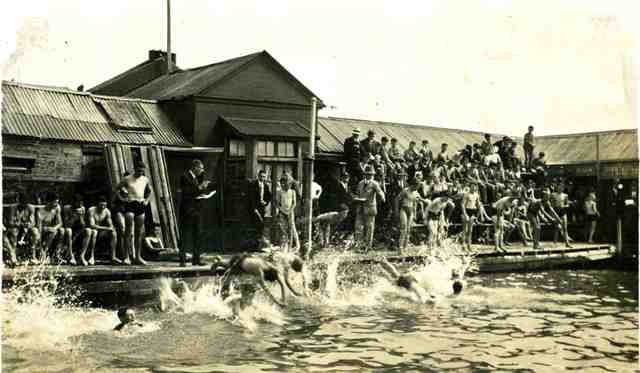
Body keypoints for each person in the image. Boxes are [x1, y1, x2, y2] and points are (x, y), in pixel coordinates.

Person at [211, 253, 301, 307]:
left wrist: (283, 299)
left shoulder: (270, 267)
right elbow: (266, 289)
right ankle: (218, 262)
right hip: (239, 263)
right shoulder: (260, 272)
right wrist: (277, 302)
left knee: (248, 286)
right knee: (227, 269)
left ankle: (219, 260)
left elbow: (282, 284)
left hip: (247, 262)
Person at [115, 161, 152, 265]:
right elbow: (117, 189)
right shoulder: (127, 179)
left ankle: (138, 257)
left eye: (142, 171)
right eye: (139, 170)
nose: (141, 172)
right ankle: (126, 257)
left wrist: (147, 200)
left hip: (140, 205)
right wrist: (122, 199)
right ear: (135, 169)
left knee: (139, 233)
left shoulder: (145, 179)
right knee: (128, 232)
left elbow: (149, 191)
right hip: (130, 204)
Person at [179, 159, 212, 266]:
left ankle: (196, 259)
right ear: (195, 167)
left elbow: (197, 192)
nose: (203, 171)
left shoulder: (198, 178)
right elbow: (186, 193)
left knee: (198, 234)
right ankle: (182, 260)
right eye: (201, 168)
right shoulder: (184, 177)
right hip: (187, 210)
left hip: (197, 209)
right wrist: (199, 187)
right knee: (185, 234)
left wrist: (204, 191)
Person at [354, 164, 386, 250]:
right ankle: (358, 245)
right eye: (368, 174)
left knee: (369, 228)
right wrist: (356, 198)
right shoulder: (360, 183)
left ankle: (368, 246)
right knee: (358, 227)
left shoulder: (374, 184)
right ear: (365, 174)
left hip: (370, 208)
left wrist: (383, 197)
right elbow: (357, 193)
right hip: (360, 207)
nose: (369, 176)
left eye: (371, 174)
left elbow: (380, 192)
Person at [37, 192, 73, 264]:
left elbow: (60, 223)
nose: (56, 204)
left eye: (57, 202)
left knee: (61, 230)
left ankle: (56, 254)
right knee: (53, 232)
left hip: (51, 230)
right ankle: (44, 252)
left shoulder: (57, 208)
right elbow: (39, 229)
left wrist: (54, 228)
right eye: (55, 202)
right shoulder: (40, 212)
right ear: (49, 202)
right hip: (43, 230)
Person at [394, 178, 427, 252]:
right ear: (413, 185)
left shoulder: (416, 192)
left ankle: (405, 247)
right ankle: (400, 247)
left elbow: (416, 203)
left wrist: (415, 214)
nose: (417, 187)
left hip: (411, 211)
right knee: (403, 228)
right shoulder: (405, 190)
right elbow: (396, 199)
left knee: (408, 230)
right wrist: (396, 210)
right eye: (416, 186)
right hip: (404, 209)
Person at [5, 192, 40, 262]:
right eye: (23, 203)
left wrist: (28, 225)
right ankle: (13, 256)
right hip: (16, 227)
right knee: (13, 231)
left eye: (25, 203)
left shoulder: (30, 207)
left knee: (35, 232)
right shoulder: (13, 207)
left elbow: (33, 222)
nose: (24, 205)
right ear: (19, 202)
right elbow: (10, 222)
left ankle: (33, 255)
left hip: (26, 228)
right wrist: (20, 224)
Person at [87, 195, 120, 264]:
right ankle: (91, 256)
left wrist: (111, 228)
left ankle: (113, 256)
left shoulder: (107, 211)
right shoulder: (91, 210)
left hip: (100, 231)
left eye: (104, 205)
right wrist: (107, 228)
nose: (103, 207)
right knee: (94, 232)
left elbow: (110, 224)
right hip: (89, 231)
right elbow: (92, 225)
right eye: (101, 205)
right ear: (97, 204)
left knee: (113, 232)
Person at [63, 195, 93, 266]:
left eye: (81, 203)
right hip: (69, 228)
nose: (80, 204)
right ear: (73, 202)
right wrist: (74, 215)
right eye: (78, 202)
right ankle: (71, 256)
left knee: (88, 231)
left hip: (78, 230)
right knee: (69, 231)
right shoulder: (67, 208)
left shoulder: (82, 208)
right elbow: (66, 224)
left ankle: (82, 255)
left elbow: (83, 225)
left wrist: (81, 216)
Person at [248, 170, 272, 245]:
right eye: (261, 176)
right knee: (254, 226)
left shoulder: (266, 186)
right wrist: (254, 208)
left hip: (262, 208)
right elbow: (251, 197)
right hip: (254, 208)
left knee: (261, 226)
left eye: (264, 177)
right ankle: (253, 245)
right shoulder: (253, 184)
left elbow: (269, 196)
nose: (262, 178)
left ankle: (259, 244)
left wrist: (265, 202)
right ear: (258, 176)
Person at [274, 174, 298, 250]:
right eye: (283, 183)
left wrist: (290, 211)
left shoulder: (292, 192)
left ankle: (294, 245)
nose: (285, 185)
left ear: (290, 184)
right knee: (283, 229)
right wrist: (282, 210)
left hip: (290, 212)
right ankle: (284, 245)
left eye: (287, 183)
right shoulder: (280, 192)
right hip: (282, 212)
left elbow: (294, 203)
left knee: (291, 228)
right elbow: (277, 203)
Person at [461, 183, 482, 251]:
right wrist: (465, 214)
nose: (473, 188)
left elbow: (478, 203)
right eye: (472, 187)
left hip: (473, 211)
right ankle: (463, 245)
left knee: (470, 230)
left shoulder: (476, 194)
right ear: (470, 187)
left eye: (474, 187)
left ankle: (469, 245)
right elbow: (462, 204)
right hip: (467, 210)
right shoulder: (466, 194)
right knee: (465, 230)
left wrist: (479, 210)